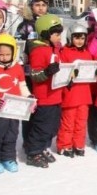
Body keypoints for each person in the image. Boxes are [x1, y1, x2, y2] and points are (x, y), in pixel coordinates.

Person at [24, 14, 64, 168]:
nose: (59, 37)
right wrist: (47, 72)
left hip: (55, 96)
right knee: (42, 126)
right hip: (44, 97)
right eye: (56, 34)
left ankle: (43, 147)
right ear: (46, 33)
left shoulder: (54, 49)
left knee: (52, 127)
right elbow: (35, 75)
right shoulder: (39, 51)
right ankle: (33, 151)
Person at [0, 34, 30, 173]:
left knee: (12, 134)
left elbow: (22, 85)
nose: (4, 57)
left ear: (14, 53)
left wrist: (29, 97)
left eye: (7, 54)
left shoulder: (17, 67)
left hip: (14, 109)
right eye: (1, 54)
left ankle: (8, 158)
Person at [57, 24, 97, 158]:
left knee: (81, 121)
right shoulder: (65, 52)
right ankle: (64, 145)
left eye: (82, 38)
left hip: (84, 94)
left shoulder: (87, 54)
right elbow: (61, 72)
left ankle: (78, 144)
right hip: (71, 93)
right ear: (70, 37)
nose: (79, 41)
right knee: (68, 121)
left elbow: (91, 71)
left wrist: (96, 72)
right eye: (76, 38)